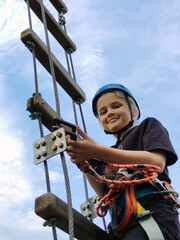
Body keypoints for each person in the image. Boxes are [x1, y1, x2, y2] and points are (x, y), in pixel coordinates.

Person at [66, 83, 180, 240]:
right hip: (119, 223)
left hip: (151, 213)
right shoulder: (108, 153)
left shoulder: (147, 126)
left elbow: (157, 163)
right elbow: (103, 192)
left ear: (133, 110)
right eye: (103, 112)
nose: (110, 113)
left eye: (116, 106)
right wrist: (85, 162)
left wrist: (99, 152)